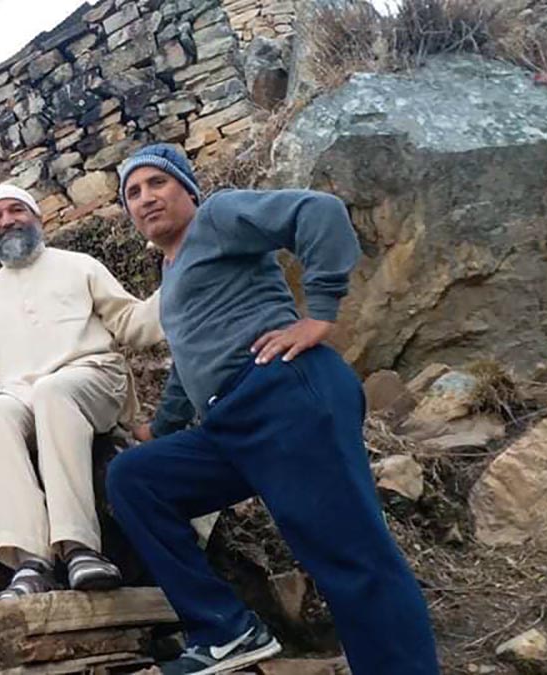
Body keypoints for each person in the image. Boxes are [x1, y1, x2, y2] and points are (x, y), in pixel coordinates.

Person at [108, 143, 439, 675]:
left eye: (158, 183)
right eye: (133, 192)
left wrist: (320, 313)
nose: (146, 197)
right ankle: (225, 630)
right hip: (231, 424)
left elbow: (319, 212)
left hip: (283, 395)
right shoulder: (171, 274)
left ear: (188, 189)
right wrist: (160, 428)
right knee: (135, 478)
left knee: (349, 555)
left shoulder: (218, 217)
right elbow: (190, 361)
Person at [0, 184, 164, 600]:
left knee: (52, 391)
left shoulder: (79, 266)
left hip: (92, 375)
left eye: (16, 210)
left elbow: (131, 322)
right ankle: (31, 561)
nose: (7, 221)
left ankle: (80, 548)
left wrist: (178, 281)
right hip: (23, 394)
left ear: (37, 218)